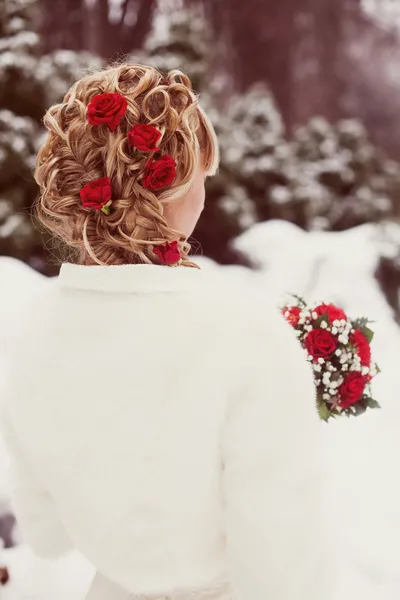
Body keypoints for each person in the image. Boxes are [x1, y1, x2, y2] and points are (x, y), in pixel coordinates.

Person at [1, 64, 333, 600]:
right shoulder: (243, 332)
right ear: (172, 190)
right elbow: (282, 560)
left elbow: (46, 533)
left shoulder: (32, 326)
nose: (205, 191)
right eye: (202, 176)